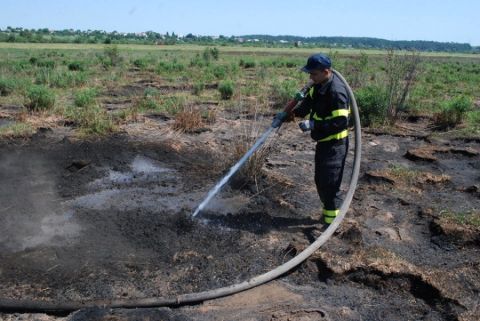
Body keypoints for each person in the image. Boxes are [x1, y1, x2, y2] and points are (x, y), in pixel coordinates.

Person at [273, 53, 349, 224]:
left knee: (329, 184)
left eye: (313, 73)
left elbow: (341, 122)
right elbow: (305, 106)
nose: (310, 77)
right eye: (310, 73)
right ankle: (330, 215)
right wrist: (287, 115)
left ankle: (331, 225)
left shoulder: (336, 91)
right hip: (323, 142)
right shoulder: (318, 85)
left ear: (326, 71)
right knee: (321, 181)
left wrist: (314, 125)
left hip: (335, 144)